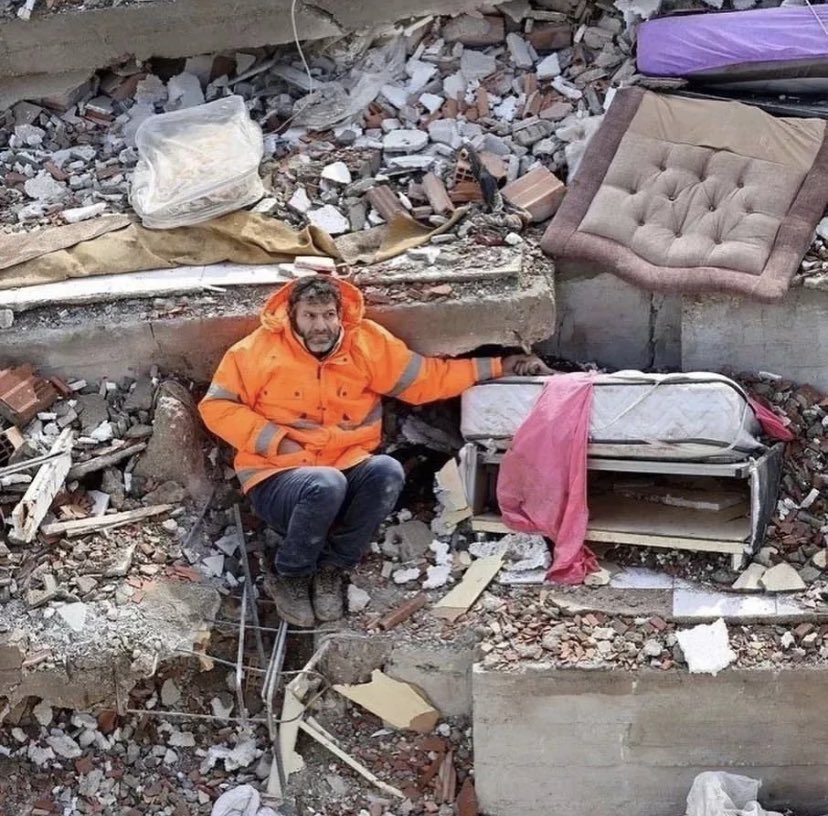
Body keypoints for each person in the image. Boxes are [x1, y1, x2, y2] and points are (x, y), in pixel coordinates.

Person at [199, 276, 549, 626]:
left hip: (344, 466)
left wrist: (503, 366)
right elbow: (216, 407)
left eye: (329, 315)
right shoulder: (255, 351)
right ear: (292, 316)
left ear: (340, 315)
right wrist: (276, 440)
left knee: (386, 471)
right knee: (326, 484)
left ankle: (332, 569)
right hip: (277, 476)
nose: (321, 326)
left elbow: (427, 379)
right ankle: (291, 575)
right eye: (310, 316)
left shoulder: (365, 343)